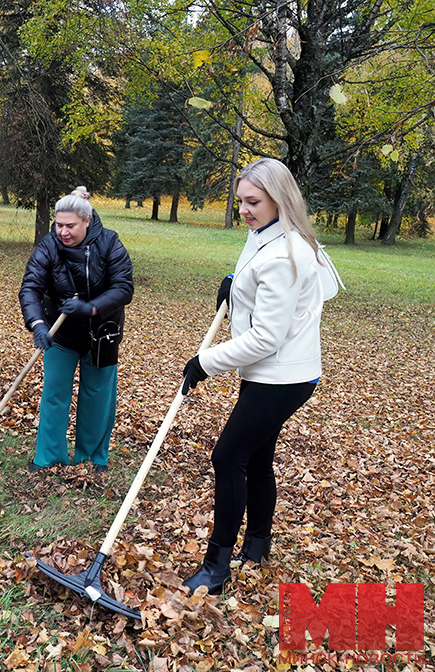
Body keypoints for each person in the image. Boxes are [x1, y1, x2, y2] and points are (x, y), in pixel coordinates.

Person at [179, 158, 338, 595]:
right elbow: (253, 263)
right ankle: (257, 543)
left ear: (278, 200)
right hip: (271, 373)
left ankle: (216, 568)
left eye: (253, 202)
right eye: (241, 201)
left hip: (282, 377)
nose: (244, 210)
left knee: (228, 457)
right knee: (257, 457)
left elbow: (268, 337)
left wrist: (205, 362)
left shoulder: (290, 253)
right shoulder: (266, 234)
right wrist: (234, 282)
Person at [18, 188, 134, 473]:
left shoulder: (110, 243)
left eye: (70, 226)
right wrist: (37, 324)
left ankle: (92, 458)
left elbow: (123, 287)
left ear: (87, 220)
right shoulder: (49, 245)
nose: (63, 232)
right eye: (59, 225)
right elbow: (31, 286)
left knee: (97, 395)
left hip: (101, 333)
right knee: (55, 393)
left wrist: (92, 308)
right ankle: (49, 457)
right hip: (61, 333)